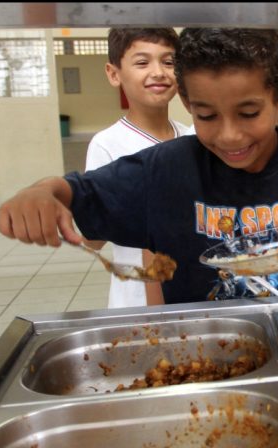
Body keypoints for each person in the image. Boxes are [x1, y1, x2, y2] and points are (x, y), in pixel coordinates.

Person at [0, 28, 278, 305]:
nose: (230, 136)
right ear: (186, 101)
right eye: (207, 115)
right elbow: (74, 191)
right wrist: (40, 192)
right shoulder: (165, 168)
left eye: (248, 113)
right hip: (206, 349)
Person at [86, 27, 190, 308]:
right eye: (142, 62)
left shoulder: (193, 137)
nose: (158, 72)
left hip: (191, 288)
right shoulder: (107, 144)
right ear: (113, 73)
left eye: (168, 62)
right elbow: (92, 239)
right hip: (134, 297)